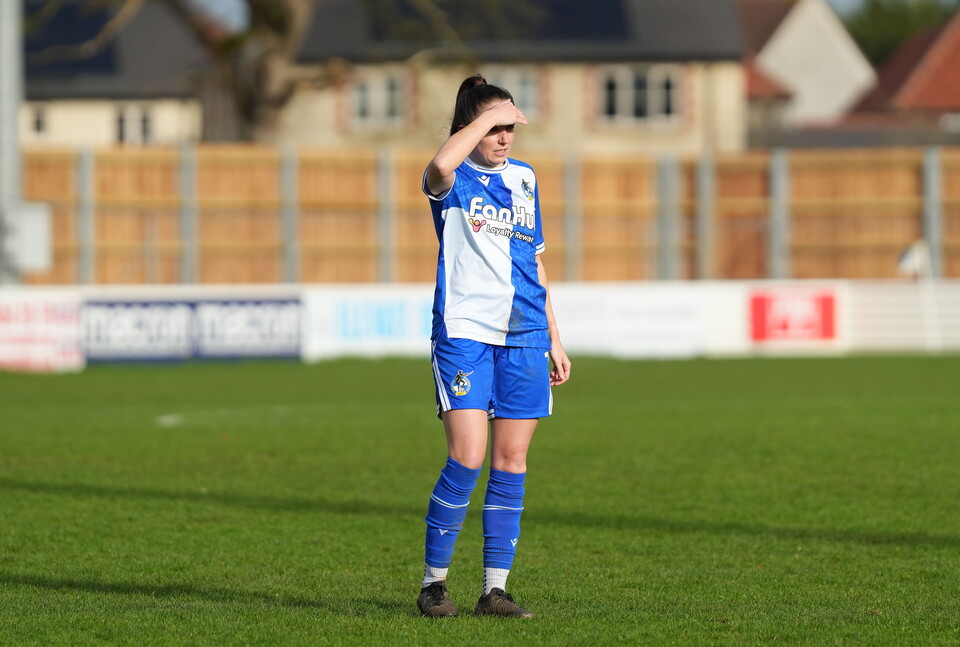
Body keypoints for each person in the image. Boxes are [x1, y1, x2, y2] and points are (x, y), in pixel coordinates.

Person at [416, 75, 571, 619]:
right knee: (467, 456)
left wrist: (553, 334)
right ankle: (434, 584)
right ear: (470, 128)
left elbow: (535, 259)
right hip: (464, 333)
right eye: (493, 127)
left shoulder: (525, 180)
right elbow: (437, 167)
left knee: (511, 460)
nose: (504, 138)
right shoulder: (453, 179)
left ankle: (493, 590)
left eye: (509, 127)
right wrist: (480, 118)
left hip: (525, 335)